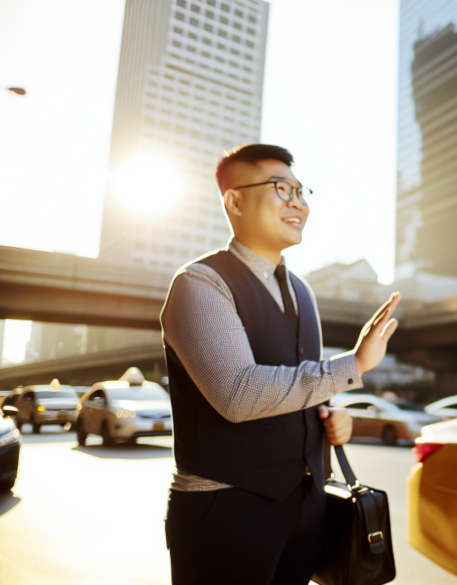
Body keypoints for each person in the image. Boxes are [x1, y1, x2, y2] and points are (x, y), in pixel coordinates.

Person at [160, 144, 401, 584]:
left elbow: (300, 383)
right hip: (225, 506)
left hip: (307, 504)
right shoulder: (200, 283)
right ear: (235, 201)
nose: (297, 203)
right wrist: (353, 365)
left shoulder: (303, 291)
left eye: (300, 191)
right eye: (280, 189)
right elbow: (237, 394)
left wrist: (330, 416)